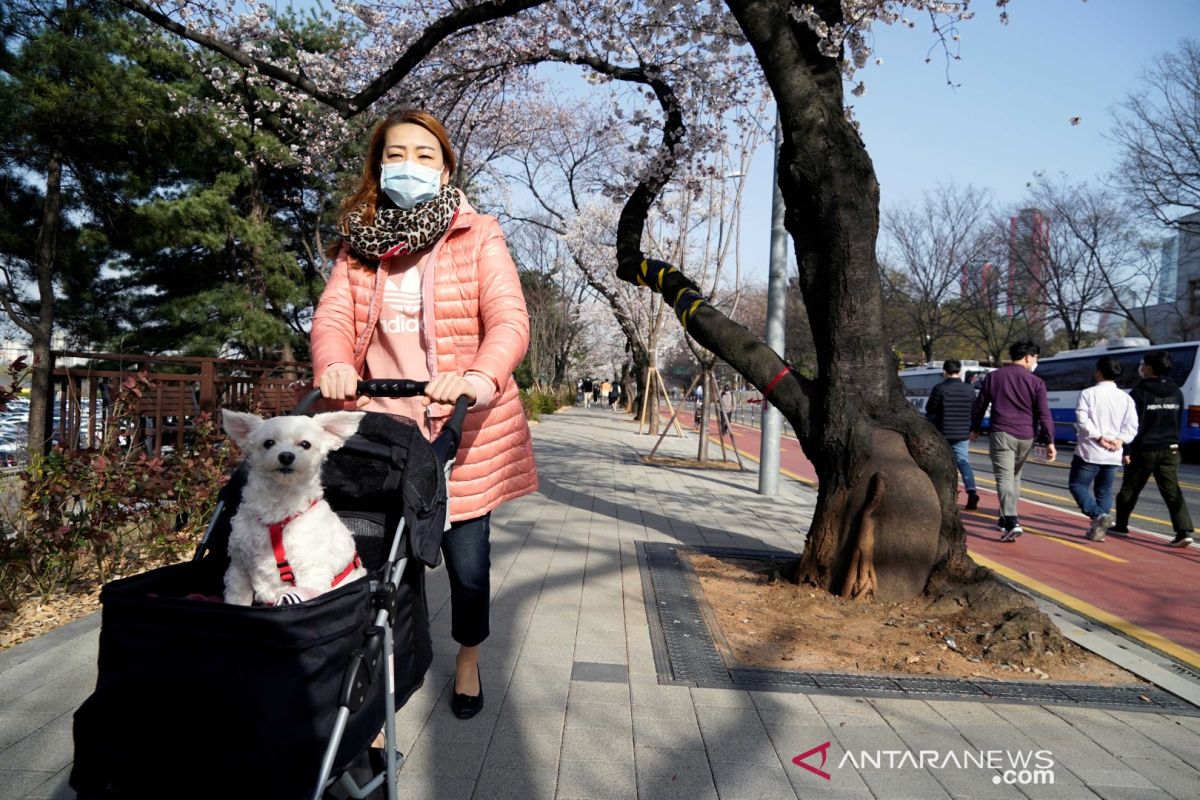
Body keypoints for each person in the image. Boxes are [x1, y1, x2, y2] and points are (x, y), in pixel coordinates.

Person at [311, 108, 539, 720]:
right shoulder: (358, 244)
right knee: (376, 567)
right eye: (395, 154)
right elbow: (333, 317)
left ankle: (467, 655)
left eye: (423, 155)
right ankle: (380, 677)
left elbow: (510, 320)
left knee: (467, 567)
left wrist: (476, 377)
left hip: (457, 433)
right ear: (377, 166)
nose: (407, 166)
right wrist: (333, 363)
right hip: (379, 429)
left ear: (444, 171)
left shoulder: (478, 235)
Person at [970, 341, 1056, 542]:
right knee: (1015, 477)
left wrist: (974, 429)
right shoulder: (1037, 382)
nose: (1035, 361)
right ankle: (1004, 517)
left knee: (1004, 478)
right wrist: (1049, 440)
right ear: (1027, 357)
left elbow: (980, 405)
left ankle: (1011, 521)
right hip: (1027, 436)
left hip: (1002, 433)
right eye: (1035, 357)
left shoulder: (994, 377)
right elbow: (1044, 413)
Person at [1110, 350, 1195, 547]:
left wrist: (1127, 450)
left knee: (1130, 488)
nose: (1141, 367)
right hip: (1171, 448)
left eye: (1143, 364)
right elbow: (1178, 419)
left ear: (1148, 368)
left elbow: (1131, 425)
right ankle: (1184, 531)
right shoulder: (1177, 391)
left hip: (1144, 449)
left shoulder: (1139, 393)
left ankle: (1121, 525)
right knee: (1172, 490)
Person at [1068, 356, 1139, 542]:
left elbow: (1082, 421)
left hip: (1089, 451)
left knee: (1078, 485)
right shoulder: (1126, 398)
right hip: (1113, 453)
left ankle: (1097, 515)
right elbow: (1132, 426)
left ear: (1098, 372)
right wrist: (1120, 441)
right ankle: (1098, 530)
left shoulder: (1088, 393)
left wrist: (1099, 437)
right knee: (1104, 491)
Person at [925, 359, 980, 511]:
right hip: (962, 433)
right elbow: (974, 411)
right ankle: (971, 491)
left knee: (941, 463)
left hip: (942, 433)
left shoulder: (939, 389)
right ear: (960, 371)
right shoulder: (969, 390)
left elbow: (931, 410)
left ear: (944, 372)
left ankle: (945, 494)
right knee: (963, 462)